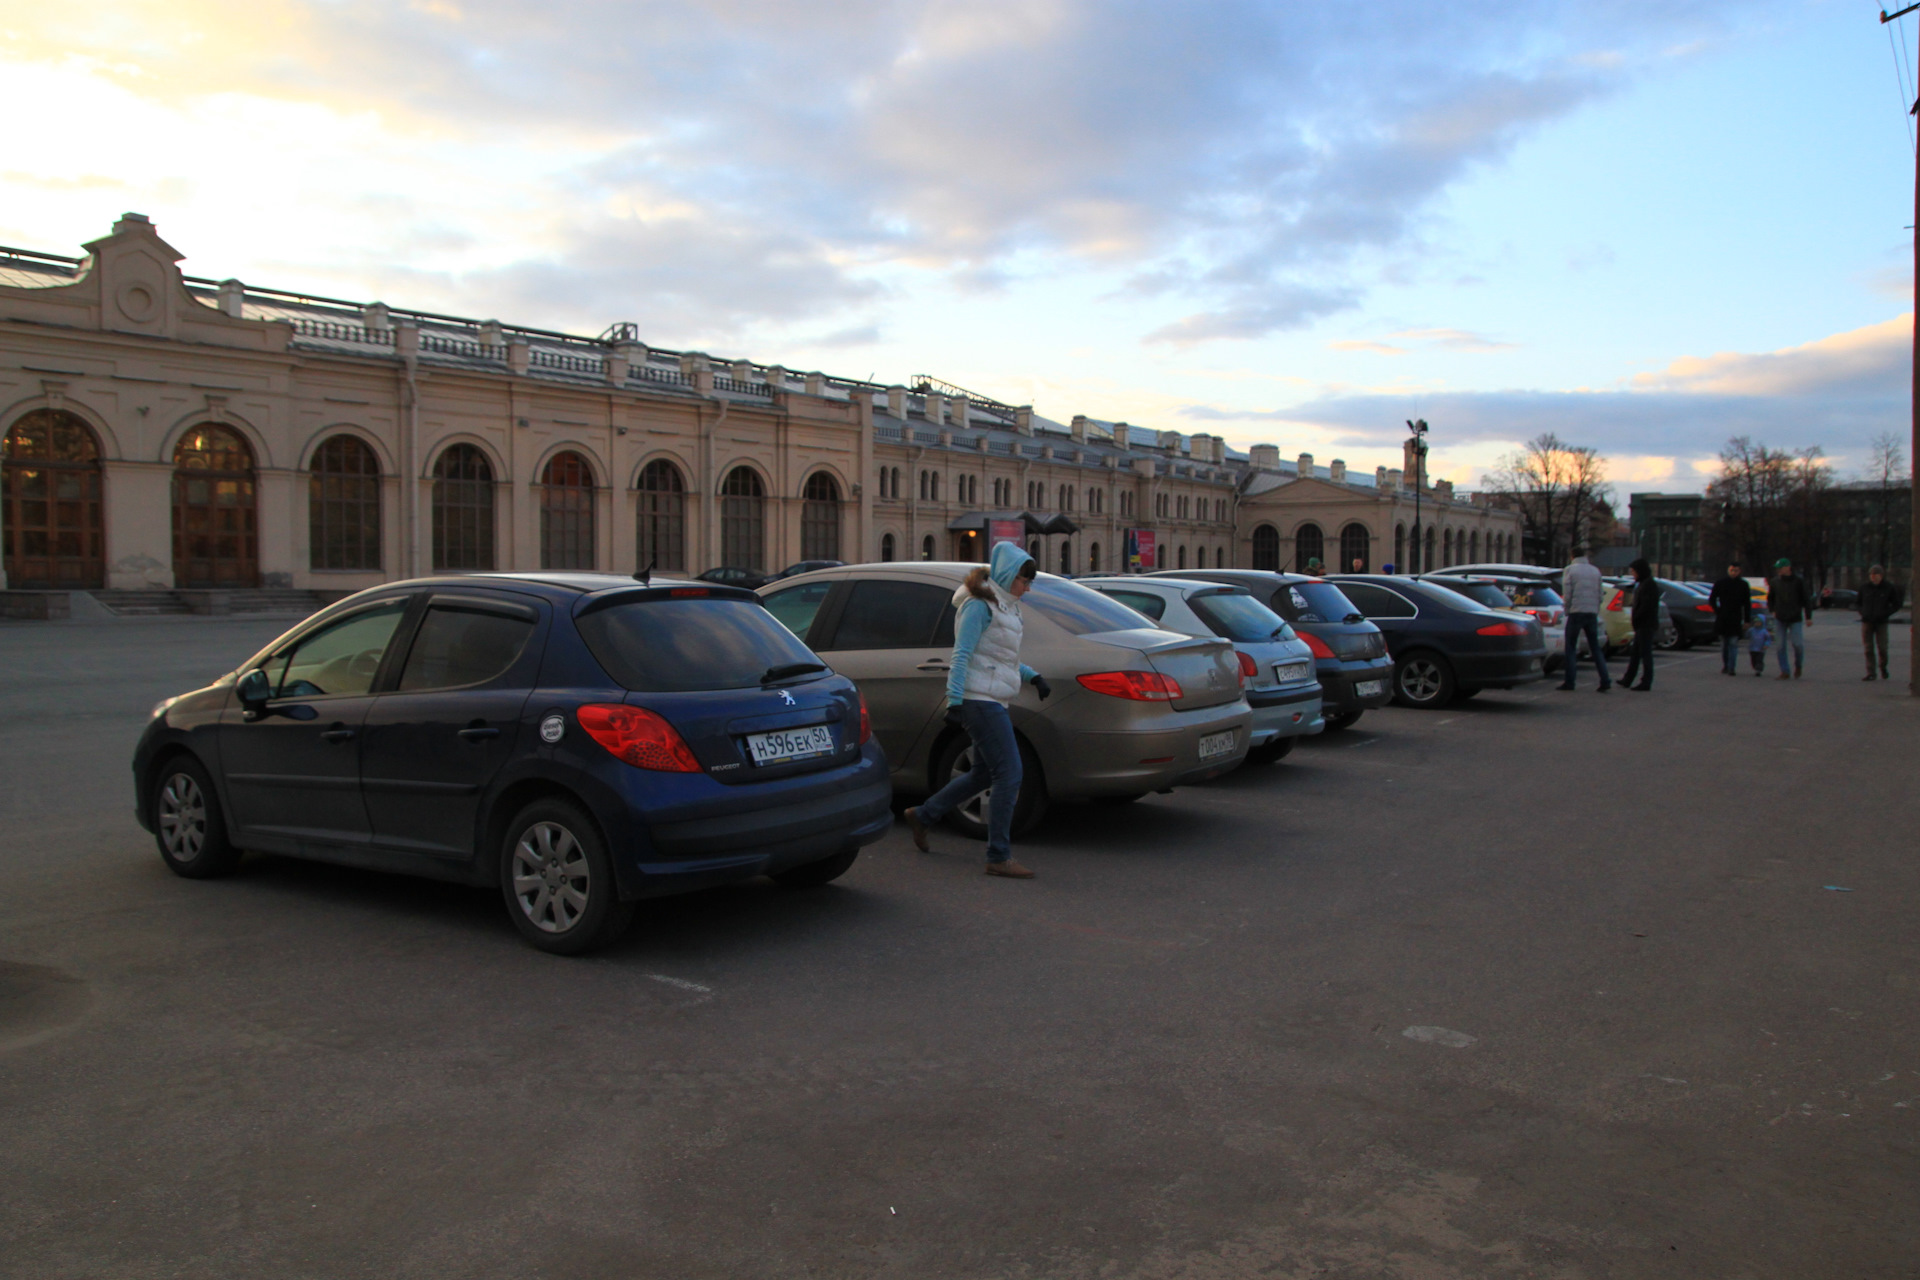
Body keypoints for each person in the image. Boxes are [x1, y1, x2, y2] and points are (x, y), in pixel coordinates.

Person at [903, 541, 1051, 878]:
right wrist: (954, 702)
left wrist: (1033, 677)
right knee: (1010, 773)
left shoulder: (1008, 608)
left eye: (1030, 582)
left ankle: (924, 815)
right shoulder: (978, 606)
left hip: (993, 697)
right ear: (1008, 574)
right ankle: (998, 855)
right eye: (1023, 580)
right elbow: (962, 654)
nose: (1026, 587)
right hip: (976, 700)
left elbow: (1000, 659)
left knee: (985, 773)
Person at [1557, 546, 1612, 693]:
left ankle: (1570, 681)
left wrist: (1567, 610)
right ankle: (1605, 679)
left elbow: (1567, 593)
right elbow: (1600, 594)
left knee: (1571, 647)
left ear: (1572, 556)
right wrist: (1595, 609)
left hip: (1576, 611)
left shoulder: (1570, 570)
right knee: (1595, 647)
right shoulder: (1595, 571)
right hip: (1591, 612)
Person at [1768, 557, 1813, 680]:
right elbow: (1770, 598)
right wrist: (1772, 610)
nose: (1778, 571)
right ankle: (1784, 670)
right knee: (1780, 646)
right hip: (1780, 618)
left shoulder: (1798, 581)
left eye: (1780, 568)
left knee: (1797, 644)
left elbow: (1806, 599)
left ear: (1788, 568)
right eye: (1777, 569)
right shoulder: (1775, 582)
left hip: (1795, 618)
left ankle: (1798, 665)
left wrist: (1808, 616)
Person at [1857, 565, 1903, 681]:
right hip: (1867, 622)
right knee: (1868, 648)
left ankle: (1883, 666)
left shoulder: (1888, 588)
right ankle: (1871, 672)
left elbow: (1897, 604)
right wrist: (1862, 612)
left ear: (1881, 576)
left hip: (1881, 622)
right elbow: (1857, 603)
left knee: (1882, 647)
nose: (1873, 577)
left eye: (1876, 575)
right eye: (1871, 575)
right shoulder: (1864, 588)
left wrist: (1886, 613)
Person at [1706, 562, 1753, 677]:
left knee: (1733, 643)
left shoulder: (1743, 585)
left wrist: (1747, 620)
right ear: (1728, 570)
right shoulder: (1721, 583)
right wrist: (1717, 611)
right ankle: (1726, 664)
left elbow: (1747, 603)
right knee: (1724, 644)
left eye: (1736, 570)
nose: (1733, 572)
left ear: (1739, 571)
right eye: (1732, 570)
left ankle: (1732, 667)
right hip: (1723, 617)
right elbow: (1712, 599)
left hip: (1736, 617)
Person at [1620, 558, 1659, 692]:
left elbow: (1646, 606)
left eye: (1633, 571)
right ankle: (1628, 679)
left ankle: (1646, 682)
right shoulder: (1644, 583)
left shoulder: (1648, 585)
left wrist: (1636, 617)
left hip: (1645, 624)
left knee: (1645, 653)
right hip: (1642, 623)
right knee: (1636, 653)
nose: (1633, 574)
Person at [1747, 608, 1771, 676]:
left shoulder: (1764, 631)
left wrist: (1766, 644)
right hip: (1752, 648)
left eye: (1759, 622)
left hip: (1761, 649)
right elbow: (1747, 635)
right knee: (1753, 660)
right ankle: (1755, 667)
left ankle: (1759, 669)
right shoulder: (1751, 630)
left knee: (1759, 659)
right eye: (1756, 622)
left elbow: (1768, 639)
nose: (1757, 623)